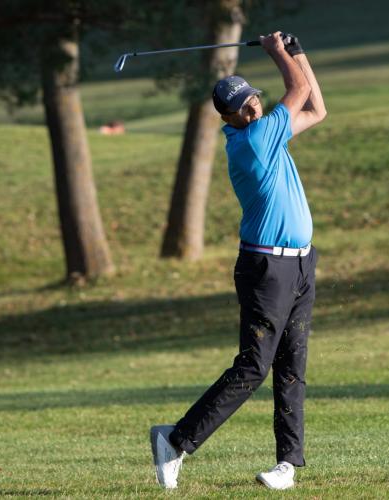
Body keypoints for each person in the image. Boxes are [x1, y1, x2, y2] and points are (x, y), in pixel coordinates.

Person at [149, 31, 326, 491]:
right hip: (267, 270)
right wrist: (278, 51)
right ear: (228, 118)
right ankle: (176, 439)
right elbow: (299, 90)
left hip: (300, 264)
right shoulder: (253, 141)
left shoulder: (269, 134)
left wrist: (299, 52)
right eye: (241, 107)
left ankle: (286, 465)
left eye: (252, 99)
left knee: (292, 366)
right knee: (253, 366)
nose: (251, 108)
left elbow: (317, 110)